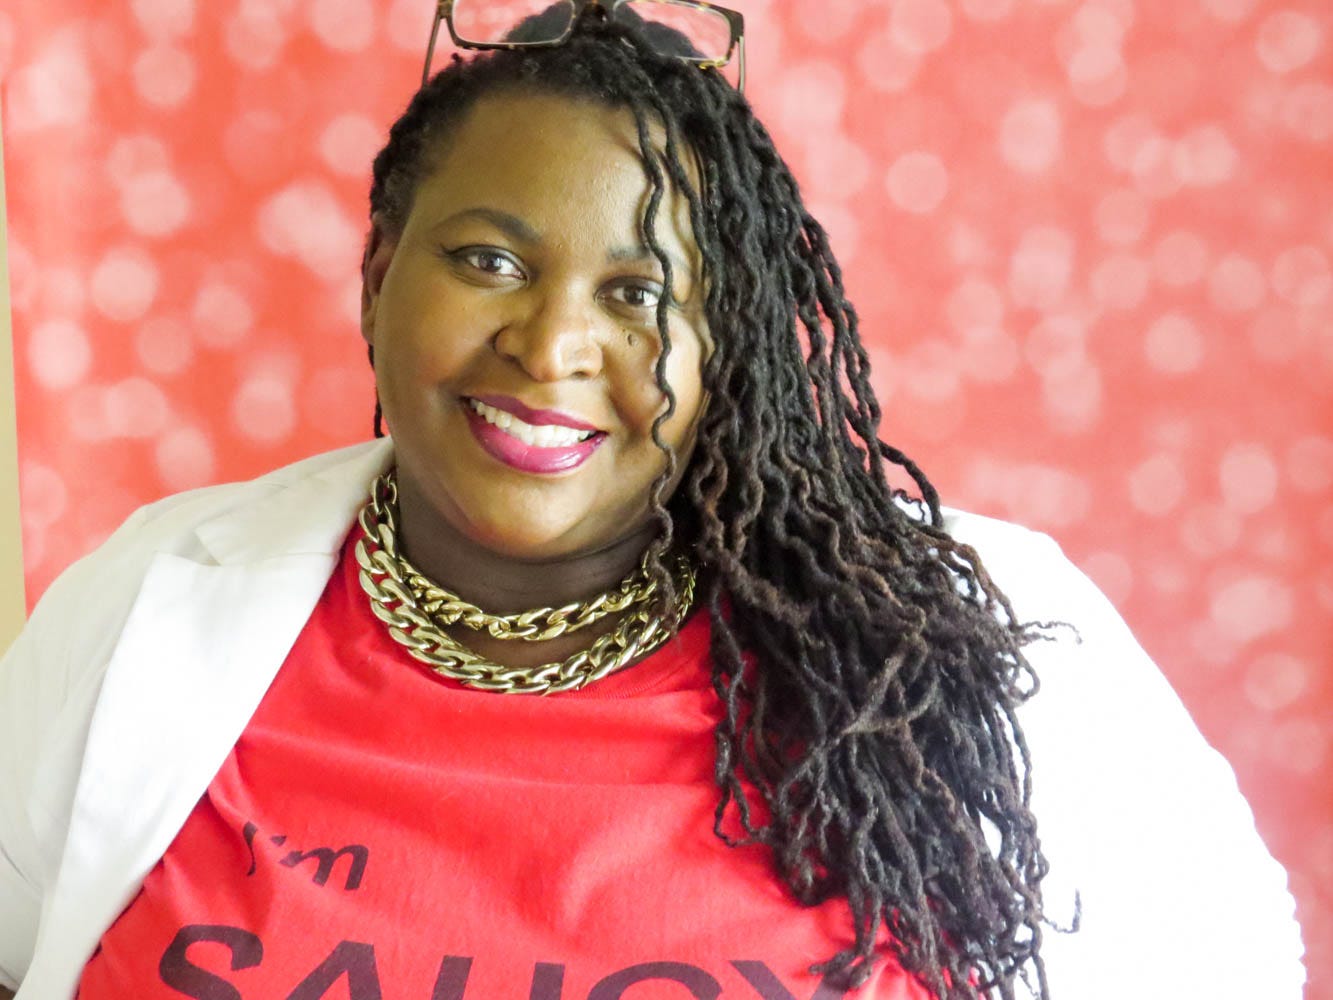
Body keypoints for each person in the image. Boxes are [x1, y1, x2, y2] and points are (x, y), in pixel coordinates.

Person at [0, 3, 1306, 998]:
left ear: (728, 339)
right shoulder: (151, 602)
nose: (552, 345)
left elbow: (1226, 968)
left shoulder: (959, 640)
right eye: (489, 260)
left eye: (639, 294)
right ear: (380, 269)